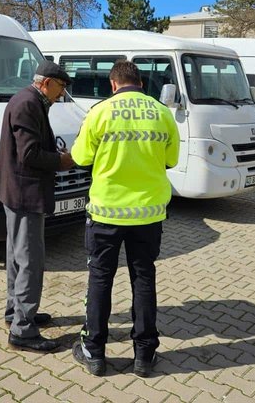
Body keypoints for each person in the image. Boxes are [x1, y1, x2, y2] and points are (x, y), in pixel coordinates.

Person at [70, 60, 180, 377]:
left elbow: (80, 157)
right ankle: (144, 355)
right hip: (148, 214)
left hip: (106, 212)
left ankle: (94, 352)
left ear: (113, 84)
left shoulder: (100, 112)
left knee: (100, 280)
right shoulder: (162, 113)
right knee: (143, 279)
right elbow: (171, 160)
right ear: (141, 83)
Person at [0, 60, 75, 352]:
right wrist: (62, 160)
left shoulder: (28, 100)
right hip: (24, 192)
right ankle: (23, 331)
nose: (62, 93)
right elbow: (29, 154)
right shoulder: (28, 103)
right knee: (30, 260)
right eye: (60, 86)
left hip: (16, 191)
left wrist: (53, 151)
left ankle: (16, 312)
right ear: (45, 82)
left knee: (17, 256)